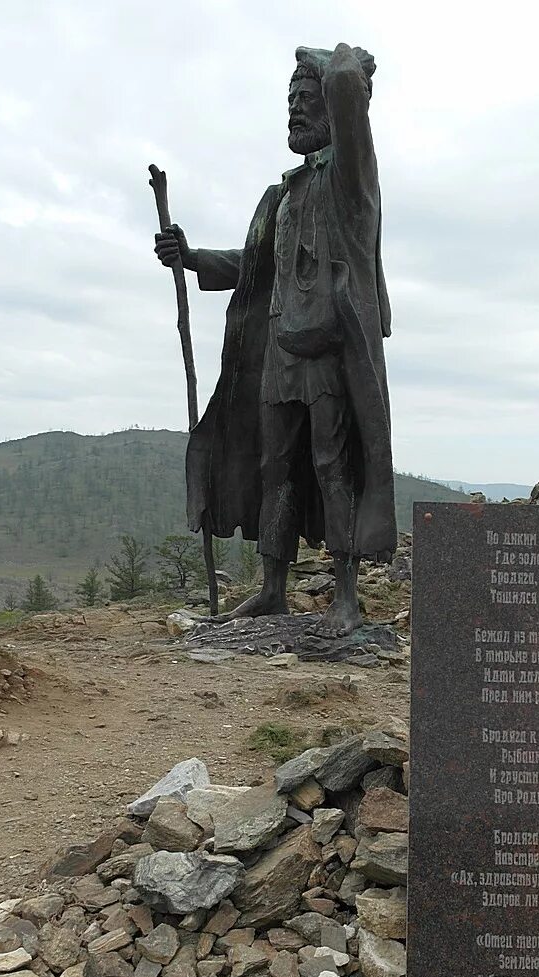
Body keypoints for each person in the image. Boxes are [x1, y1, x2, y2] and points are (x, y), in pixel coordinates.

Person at [155, 42, 395, 638]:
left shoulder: (350, 178)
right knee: (275, 469)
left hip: (330, 354)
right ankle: (271, 590)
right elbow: (256, 266)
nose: (293, 110)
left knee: (333, 466)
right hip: (280, 354)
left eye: (305, 99)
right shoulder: (283, 195)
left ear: (335, 112)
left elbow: (344, 78)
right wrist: (191, 258)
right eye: (288, 100)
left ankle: (345, 595)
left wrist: (334, 61)